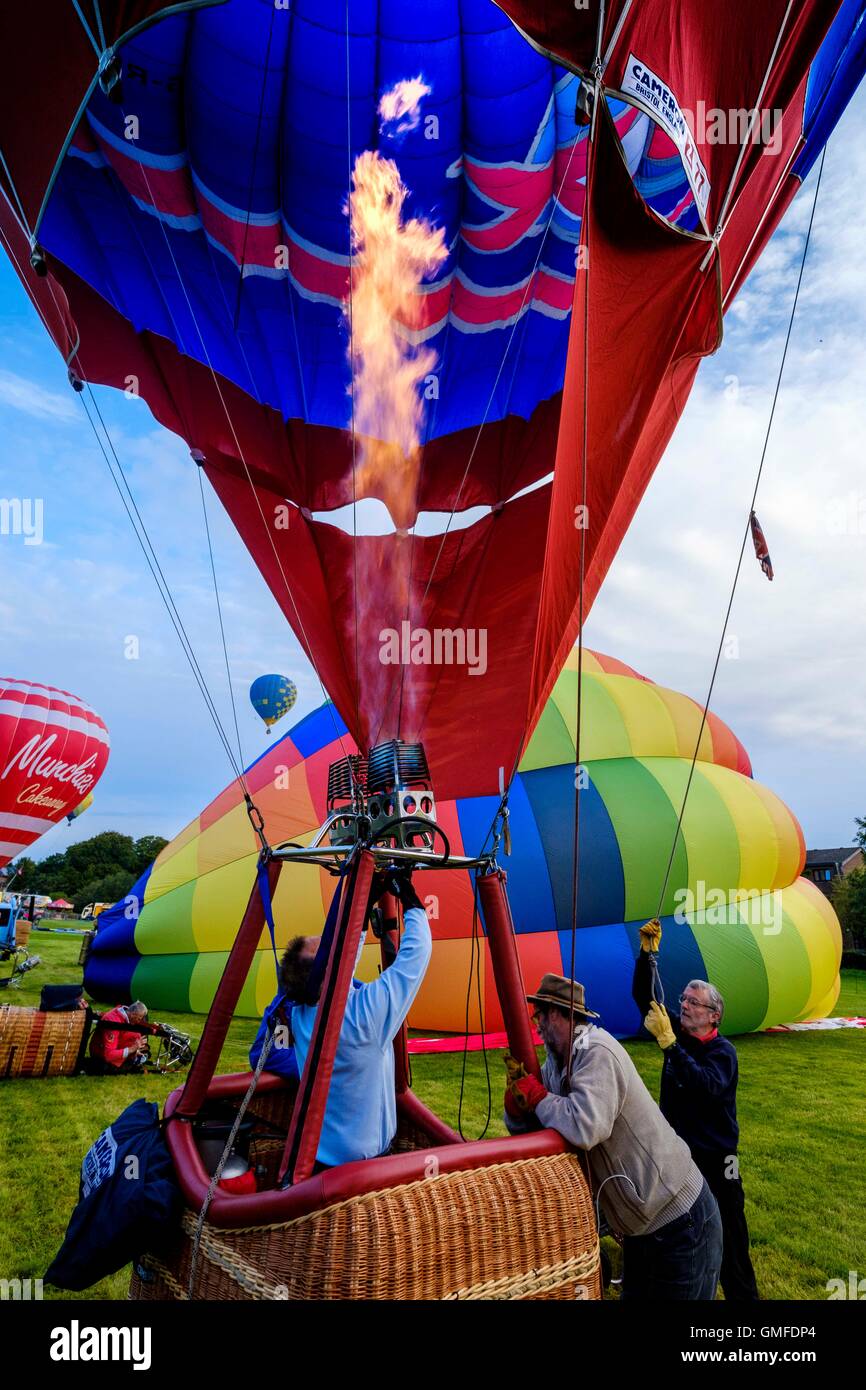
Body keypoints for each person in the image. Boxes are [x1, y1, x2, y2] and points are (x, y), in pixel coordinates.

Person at [503, 972, 722, 1300]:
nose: (538, 1025)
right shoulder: (556, 1064)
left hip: (681, 1222)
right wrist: (516, 1107)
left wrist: (538, 1098)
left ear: (562, 1015)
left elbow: (585, 1126)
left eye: (542, 1015)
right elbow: (539, 1125)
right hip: (643, 1231)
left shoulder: (596, 1051)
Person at [633, 921, 760, 1301]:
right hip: (680, 1153)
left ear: (713, 1015)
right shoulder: (681, 1035)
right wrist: (647, 955)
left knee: (731, 1239)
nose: (684, 1006)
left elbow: (704, 1087)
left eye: (693, 1003)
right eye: (684, 999)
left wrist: (670, 1046)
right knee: (673, 1224)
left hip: (720, 1159)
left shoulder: (723, 1054)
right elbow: (646, 997)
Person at [280, 868, 431, 1168]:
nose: (330, 948)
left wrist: (364, 904)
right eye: (323, 948)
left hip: (317, 1160)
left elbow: (341, 962)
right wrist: (409, 896)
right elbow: (416, 955)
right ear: (323, 976)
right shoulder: (362, 1017)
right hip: (363, 1170)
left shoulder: (301, 1013)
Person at [89, 1000, 150, 1072]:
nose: (138, 1022)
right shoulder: (113, 1022)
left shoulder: (123, 1012)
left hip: (104, 1050)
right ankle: (134, 1060)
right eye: (139, 1019)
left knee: (136, 1035)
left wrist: (135, 1050)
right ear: (133, 1014)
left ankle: (135, 1057)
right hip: (100, 1057)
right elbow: (108, 1055)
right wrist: (132, 1049)